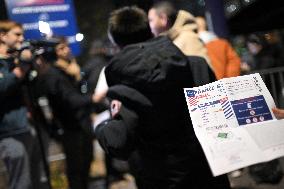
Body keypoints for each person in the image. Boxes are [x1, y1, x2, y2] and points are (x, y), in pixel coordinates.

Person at [95, 6, 230, 189]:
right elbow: (222, 116)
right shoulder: (197, 66)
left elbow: (119, 143)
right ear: (148, 29)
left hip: (161, 179)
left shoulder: (123, 83)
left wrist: (101, 128)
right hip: (208, 172)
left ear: (114, 40)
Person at [33, 38, 100, 189]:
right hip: (69, 127)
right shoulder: (52, 74)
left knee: (86, 161)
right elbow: (71, 100)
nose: (67, 51)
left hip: (82, 123)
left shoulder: (70, 69)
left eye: (67, 47)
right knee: (76, 167)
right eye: (61, 48)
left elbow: (79, 93)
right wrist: (93, 98)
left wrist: (78, 78)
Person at [0, 20, 44, 189]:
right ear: (3, 36)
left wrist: (36, 68)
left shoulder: (17, 60)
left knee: (37, 178)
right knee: (21, 183)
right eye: (17, 34)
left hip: (31, 125)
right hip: (11, 131)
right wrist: (21, 69)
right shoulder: (9, 64)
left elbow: (36, 89)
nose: (22, 38)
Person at [148, 1, 212, 68]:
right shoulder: (172, 39)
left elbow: (203, 72)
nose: (149, 26)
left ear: (163, 19)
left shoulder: (188, 38)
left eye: (151, 20)